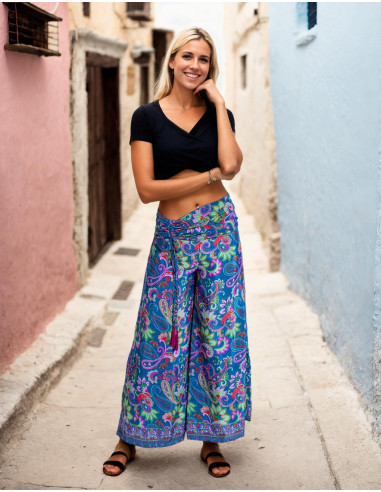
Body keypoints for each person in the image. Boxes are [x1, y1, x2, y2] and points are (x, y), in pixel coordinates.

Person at [103, 26, 252, 479]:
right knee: (157, 335)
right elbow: (148, 190)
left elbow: (231, 166)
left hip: (219, 231)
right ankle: (129, 436)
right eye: (187, 56)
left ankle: (213, 440)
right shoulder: (145, 117)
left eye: (203, 59)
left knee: (218, 337)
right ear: (171, 61)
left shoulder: (217, 113)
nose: (194, 65)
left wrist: (221, 105)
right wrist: (206, 176)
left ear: (211, 68)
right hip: (172, 236)